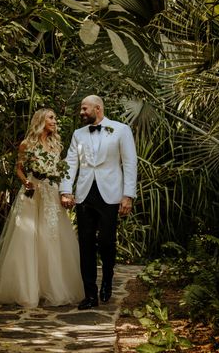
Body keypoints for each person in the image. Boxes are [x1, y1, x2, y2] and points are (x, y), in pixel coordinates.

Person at [0, 108, 84, 308]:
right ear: (41, 120)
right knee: (28, 238)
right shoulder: (26, 145)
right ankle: (27, 289)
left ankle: (52, 287)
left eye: (55, 118)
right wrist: (26, 183)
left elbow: (60, 170)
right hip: (33, 193)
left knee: (51, 238)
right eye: (51, 117)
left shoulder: (55, 145)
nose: (54, 121)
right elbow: (19, 169)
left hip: (51, 192)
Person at [60, 95, 138, 310]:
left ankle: (107, 279)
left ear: (98, 108)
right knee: (85, 244)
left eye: (85, 109)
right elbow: (70, 163)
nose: (82, 113)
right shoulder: (78, 134)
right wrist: (66, 190)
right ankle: (90, 294)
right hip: (84, 195)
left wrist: (128, 195)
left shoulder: (121, 130)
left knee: (106, 241)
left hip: (111, 194)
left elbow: (130, 163)